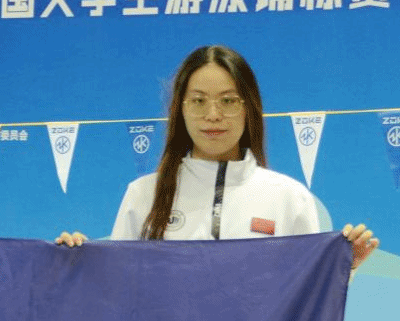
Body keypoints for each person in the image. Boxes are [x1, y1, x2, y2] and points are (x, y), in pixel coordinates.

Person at [56, 45, 378, 269]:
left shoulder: (289, 199)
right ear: (180, 110)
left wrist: (342, 268)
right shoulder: (143, 195)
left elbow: (307, 301)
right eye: (198, 101)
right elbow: (116, 291)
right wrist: (79, 265)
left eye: (228, 101)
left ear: (249, 108)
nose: (213, 115)